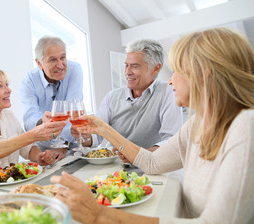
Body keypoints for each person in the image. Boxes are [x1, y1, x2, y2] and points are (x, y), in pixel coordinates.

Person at [51, 28, 254, 223]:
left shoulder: (245, 126)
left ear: (204, 74)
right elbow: (153, 163)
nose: (171, 80)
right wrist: (103, 129)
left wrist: (99, 216)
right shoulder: (197, 125)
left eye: (177, 71)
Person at [0, 66, 67, 185]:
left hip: (7, 189)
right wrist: (32, 135)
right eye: (0, 86)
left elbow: (26, 148)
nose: (8, 90)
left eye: (7, 85)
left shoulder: (8, 116)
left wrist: (39, 156)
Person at [73, 39, 182, 151]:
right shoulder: (112, 97)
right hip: (115, 163)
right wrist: (85, 137)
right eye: (126, 66)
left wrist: (137, 157)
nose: (127, 72)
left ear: (155, 68)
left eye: (135, 66)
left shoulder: (168, 92)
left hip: (150, 165)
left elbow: (171, 140)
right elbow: (96, 136)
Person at [20, 35, 84, 155]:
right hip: (45, 148)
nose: (60, 65)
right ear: (39, 63)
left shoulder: (74, 69)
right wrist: (42, 122)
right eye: (52, 60)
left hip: (72, 145)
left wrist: (63, 145)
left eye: (62, 58)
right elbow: (29, 121)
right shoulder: (28, 82)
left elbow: (73, 110)